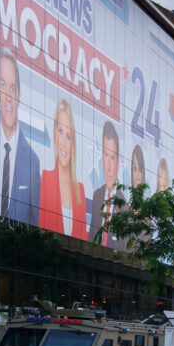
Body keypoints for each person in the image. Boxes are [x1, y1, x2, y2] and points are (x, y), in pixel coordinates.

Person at [0, 46, 40, 225]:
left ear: (19, 94)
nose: (8, 95)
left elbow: (35, 225)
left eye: (13, 88)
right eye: (3, 85)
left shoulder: (32, 161)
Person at [39, 99, 88, 240]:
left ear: (73, 143)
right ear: (55, 133)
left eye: (69, 136)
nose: (64, 144)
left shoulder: (80, 190)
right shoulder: (46, 179)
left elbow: (83, 241)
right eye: (61, 131)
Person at [89, 121, 125, 250]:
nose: (109, 167)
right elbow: (91, 236)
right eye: (106, 155)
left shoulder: (124, 206)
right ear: (101, 158)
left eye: (113, 157)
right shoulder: (97, 195)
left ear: (118, 162)